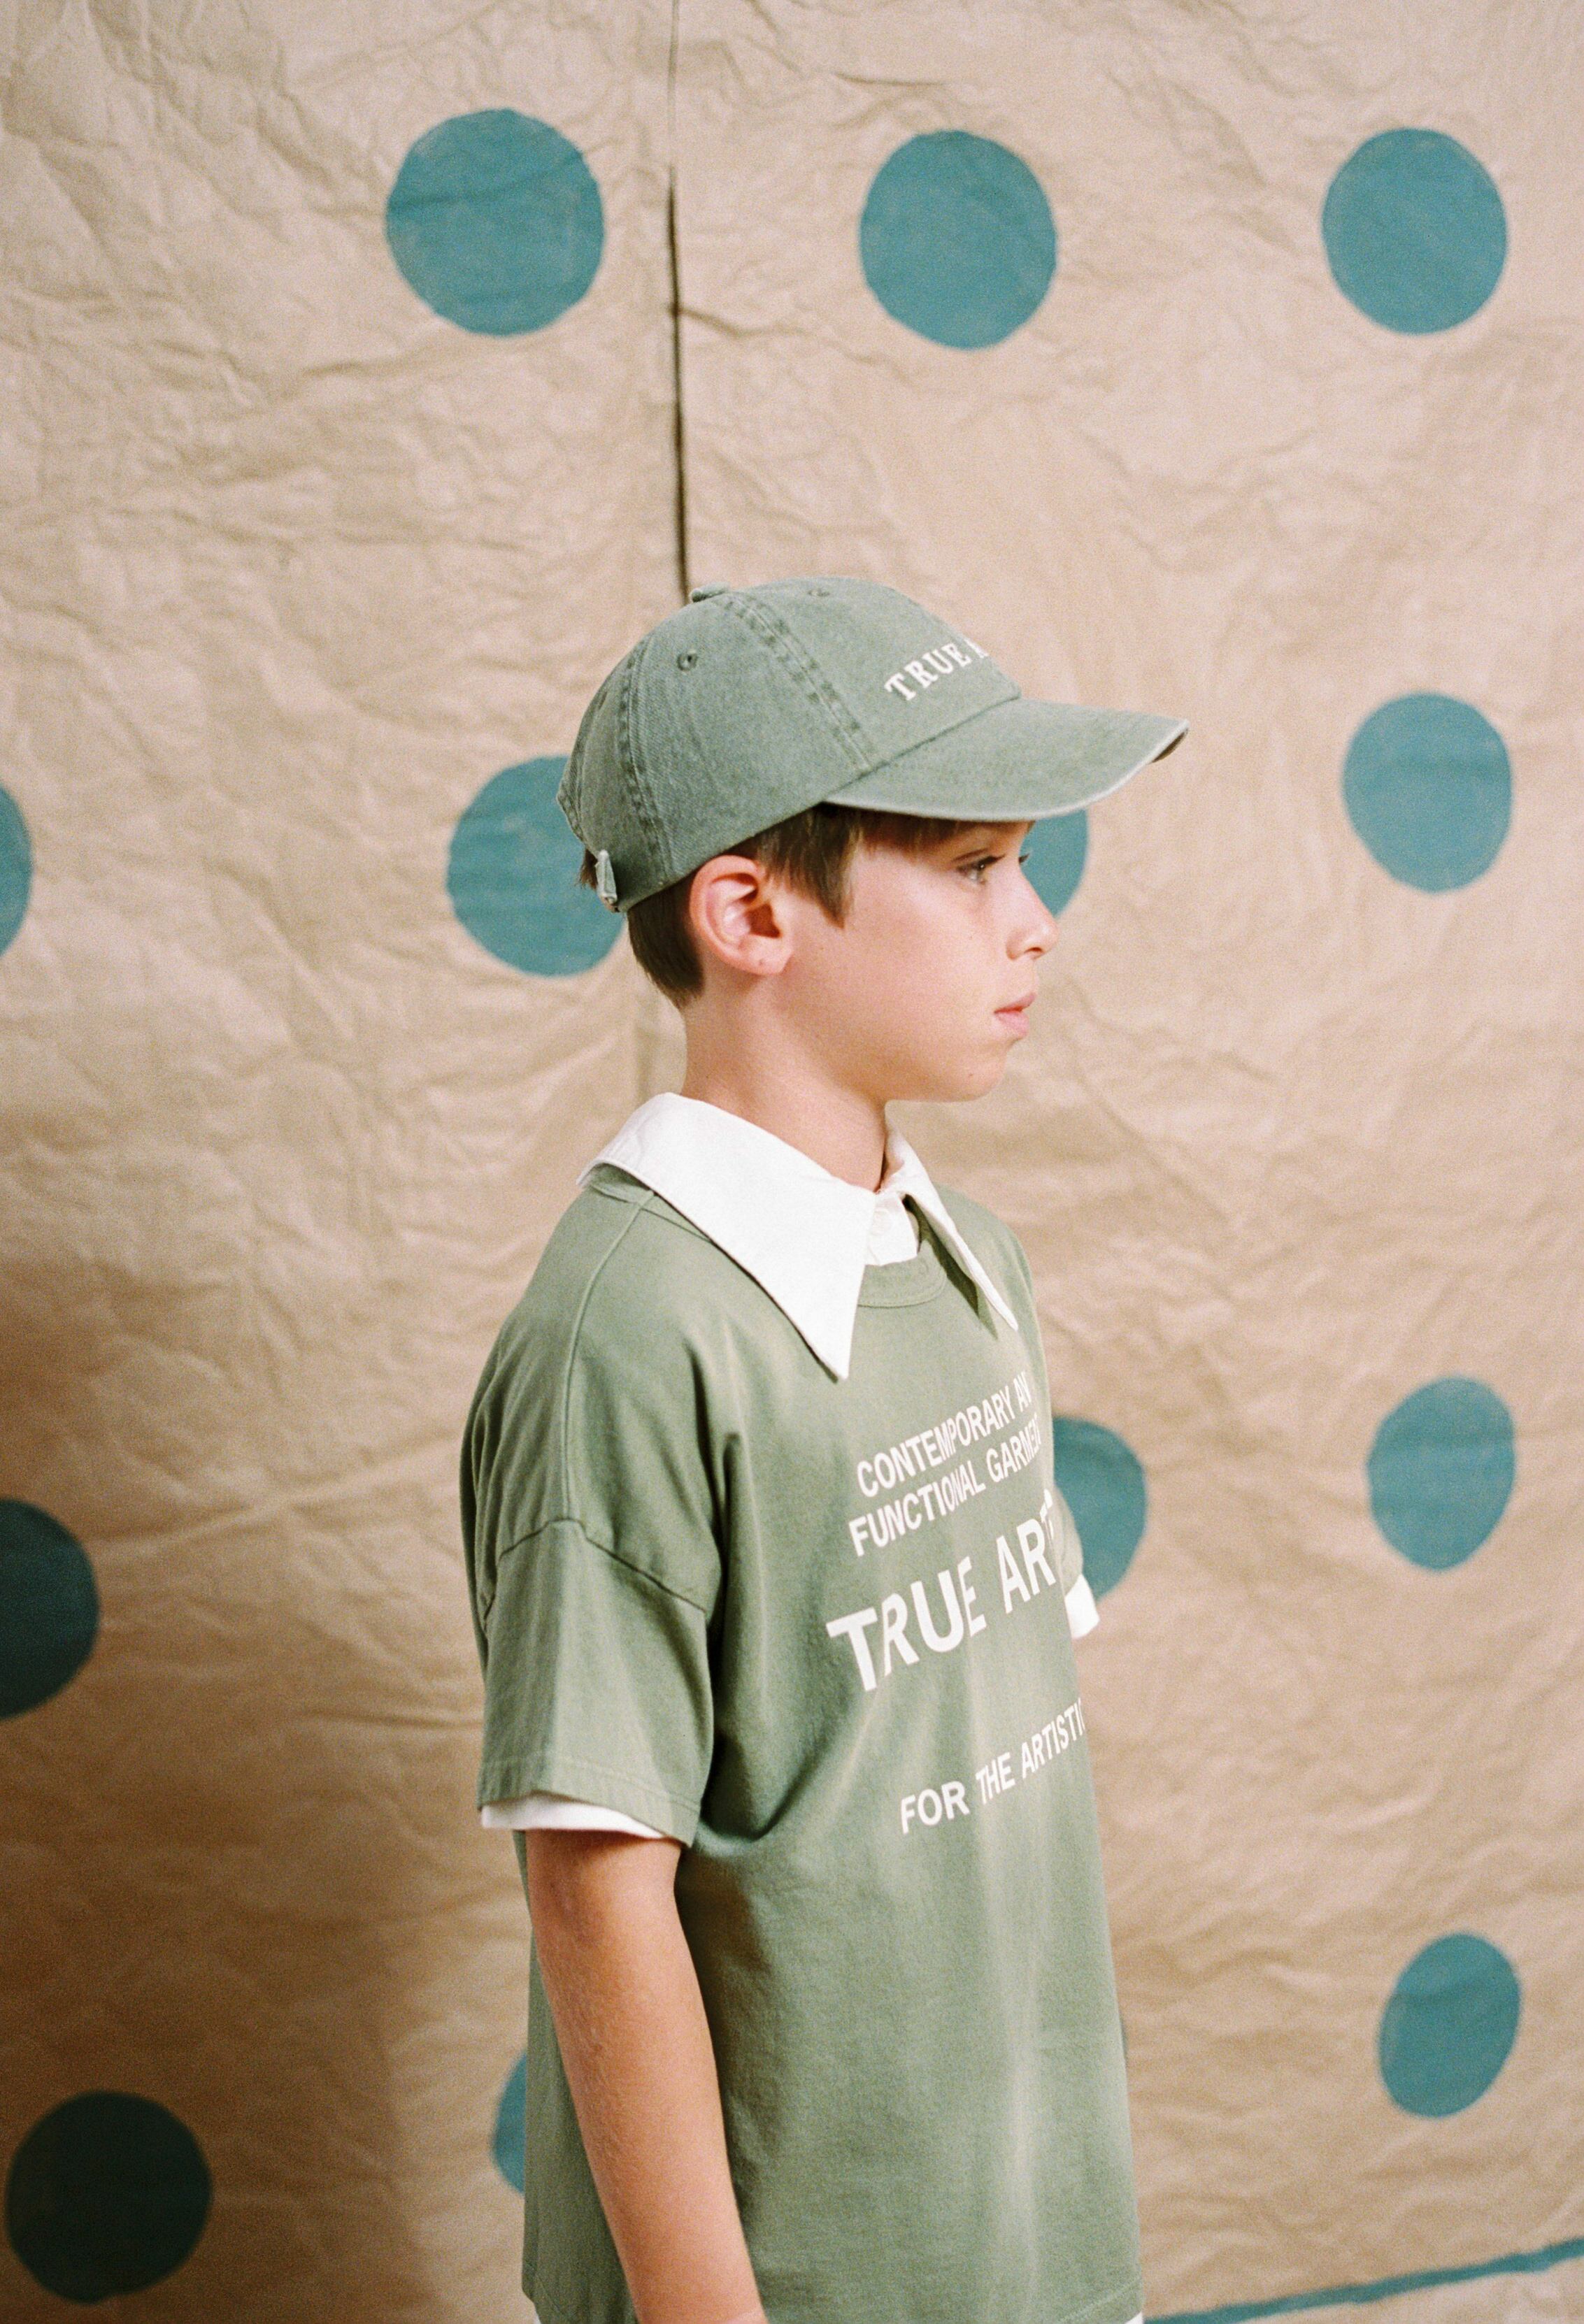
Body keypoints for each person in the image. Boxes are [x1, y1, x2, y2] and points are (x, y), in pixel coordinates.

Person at [459, 575, 1186, 2324]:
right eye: (972, 867)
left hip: (1028, 2247)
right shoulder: (622, 1343)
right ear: (750, 912)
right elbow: (596, 1892)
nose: (1034, 925)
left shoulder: (967, 1264)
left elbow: (974, 1776)